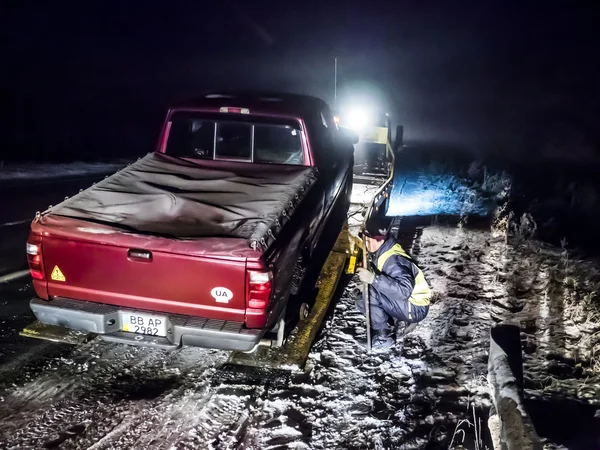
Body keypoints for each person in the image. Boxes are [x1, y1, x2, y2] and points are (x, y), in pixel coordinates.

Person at [355, 217, 432, 349]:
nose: (366, 244)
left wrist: (373, 279)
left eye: (369, 241)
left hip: (415, 308)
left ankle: (384, 338)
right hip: (413, 303)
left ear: (380, 239)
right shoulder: (385, 249)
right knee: (361, 297)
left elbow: (403, 291)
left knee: (369, 293)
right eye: (365, 240)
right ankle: (391, 321)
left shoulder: (393, 259)